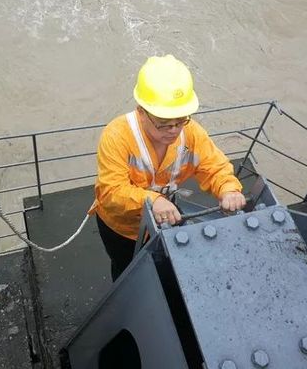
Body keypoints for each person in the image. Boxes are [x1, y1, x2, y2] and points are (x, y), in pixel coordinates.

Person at [93, 55, 245, 280]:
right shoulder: (117, 136)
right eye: (163, 124)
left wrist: (228, 189)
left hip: (166, 212)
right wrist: (153, 201)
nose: (174, 130)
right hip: (122, 228)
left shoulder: (191, 132)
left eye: (180, 121)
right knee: (126, 269)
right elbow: (111, 192)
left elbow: (214, 166)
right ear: (141, 112)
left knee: (165, 260)